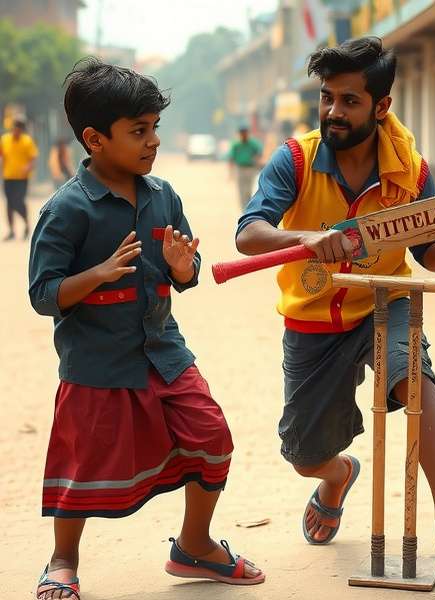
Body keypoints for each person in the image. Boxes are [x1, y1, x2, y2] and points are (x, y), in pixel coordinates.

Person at [235, 36, 435, 573]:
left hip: (385, 299)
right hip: (313, 315)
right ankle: (337, 476)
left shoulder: (412, 171)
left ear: (381, 106)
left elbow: (429, 258)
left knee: (415, 379)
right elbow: (249, 235)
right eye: (327, 97)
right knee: (304, 456)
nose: (333, 111)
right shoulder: (296, 159)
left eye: (349, 100)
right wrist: (305, 239)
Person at [28, 58, 264, 599]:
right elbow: (43, 295)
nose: (153, 140)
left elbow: (188, 272)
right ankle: (63, 561)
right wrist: (99, 274)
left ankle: (195, 546)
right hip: (97, 364)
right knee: (80, 468)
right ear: (94, 139)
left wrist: (185, 269)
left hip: (165, 353)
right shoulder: (66, 210)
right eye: (139, 131)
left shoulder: (163, 196)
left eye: (155, 127)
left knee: (212, 437)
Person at [0, 118, 38, 240]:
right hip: (8, 177)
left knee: (18, 202)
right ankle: (11, 230)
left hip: (22, 178)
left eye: (18, 129)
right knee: (9, 203)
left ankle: (26, 223)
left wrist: (28, 167)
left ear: (22, 130)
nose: (16, 132)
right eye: (14, 129)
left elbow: (33, 159)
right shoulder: (4, 139)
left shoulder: (27, 141)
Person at [228, 125, 263, 210]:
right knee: (241, 190)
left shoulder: (253, 143)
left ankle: (250, 207)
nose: (244, 135)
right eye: (242, 133)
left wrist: (256, 160)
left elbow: (259, 151)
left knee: (250, 189)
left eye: (245, 133)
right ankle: (244, 209)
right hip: (240, 168)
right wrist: (231, 172)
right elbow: (231, 157)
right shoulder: (236, 144)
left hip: (251, 168)